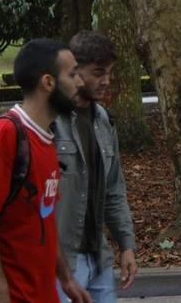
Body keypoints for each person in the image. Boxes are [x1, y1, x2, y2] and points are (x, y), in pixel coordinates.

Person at [0, 39, 91, 303]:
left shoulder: (46, 139)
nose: (80, 82)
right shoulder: (4, 134)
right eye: (72, 74)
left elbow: (44, 219)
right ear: (48, 82)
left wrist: (65, 278)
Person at [53, 31, 139, 303]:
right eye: (99, 73)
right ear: (76, 71)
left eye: (109, 73)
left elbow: (114, 189)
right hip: (61, 260)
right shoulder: (51, 121)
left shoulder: (103, 120)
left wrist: (126, 245)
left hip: (98, 256)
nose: (106, 81)